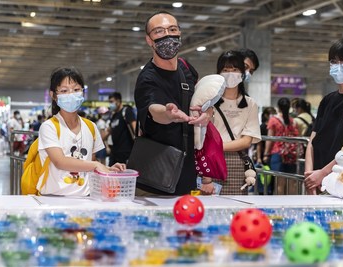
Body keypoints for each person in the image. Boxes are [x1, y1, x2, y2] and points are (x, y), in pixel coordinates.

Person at [134, 11, 211, 196]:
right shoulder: (147, 78)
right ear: (149, 40)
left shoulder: (186, 68)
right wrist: (168, 114)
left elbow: (204, 102)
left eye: (172, 29)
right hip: (156, 175)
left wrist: (208, 115)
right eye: (159, 31)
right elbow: (153, 109)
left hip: (186, 171)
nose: (167, 35)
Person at [37, 66, 125, 196]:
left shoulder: (91, 127)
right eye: (64, 90)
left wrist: (107, 169)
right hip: (53, 198)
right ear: (53, 95)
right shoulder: (49, 127)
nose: (71, 94)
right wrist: (96, 165)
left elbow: (88, 163)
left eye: (76, 90)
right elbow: (60, 161)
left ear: (82, 91)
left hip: (85, 198)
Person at [210, 50, 261, 195]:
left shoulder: (250, 104)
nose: (230, 74)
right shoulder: (209, 101)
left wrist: (215, 147)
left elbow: (246, 141)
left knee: (236, 208)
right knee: (209, 208)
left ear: (242, 73)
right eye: (225, 70)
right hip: (210, 162)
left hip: (236, 162)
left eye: (235, 69)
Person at [304, 38, 343, 194]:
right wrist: (310, 177)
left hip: (340, 181)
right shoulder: (327, 100)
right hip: (317, 181)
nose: (339, 66)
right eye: (334, 61)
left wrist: (322, 174)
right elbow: (312, 142)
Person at [264, 98, 299, 194]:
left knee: (279, 183)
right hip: (291, 155)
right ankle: (292, 206)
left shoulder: (273, 120)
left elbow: (270, 139)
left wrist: (266, 154)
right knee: (292, 182)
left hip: (278, 154)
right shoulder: (293, 121)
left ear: (278, 107)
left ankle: (281, 206)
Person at [107, 92, 136, 166]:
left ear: (118, 101)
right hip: (114, 152)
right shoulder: (114, 116)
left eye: (112, 102)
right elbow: (109, 131)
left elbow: (134, 127)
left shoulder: (126, 111)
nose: (110, 104)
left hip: (126, 152)